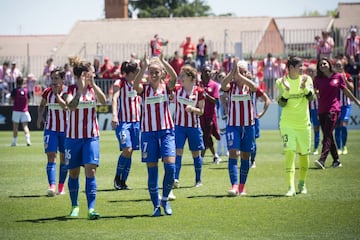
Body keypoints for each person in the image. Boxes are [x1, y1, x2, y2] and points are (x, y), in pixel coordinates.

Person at [63, 57, 107, 220]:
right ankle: (74, 206)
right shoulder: (70, 89)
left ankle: (91, 208)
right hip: (73, 138)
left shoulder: (93, 89)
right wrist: (80, 91)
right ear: (84, 74)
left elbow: (104, 101)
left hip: (91, 137)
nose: (94, 74)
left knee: (91, 171)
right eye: (92, 72)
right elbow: (70, 106)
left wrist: (93, 84)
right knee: (73, 173)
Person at [134, 54, 177, 217]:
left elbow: (174, 76)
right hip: (148, 134)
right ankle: (155, 207)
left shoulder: (166, 87)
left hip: (166, 132)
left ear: (162, 73)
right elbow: (136, 84)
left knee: (170, 168)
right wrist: (144, 67)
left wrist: (164, 62)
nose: (153, 74)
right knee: (152, 173)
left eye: (156, 72)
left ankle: (164, 200)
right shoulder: (144, 89)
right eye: (151, 71)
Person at [222, 60, 270, 196]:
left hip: (248, 126)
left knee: (245, 156)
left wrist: (261, 113)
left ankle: (242, 187)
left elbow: (262, 95)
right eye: (238, 71)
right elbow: (223, 85)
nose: (240, 74)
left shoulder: (250, 86)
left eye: (243, 71)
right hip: (233, 126)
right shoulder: (230, 86)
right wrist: (232, 73)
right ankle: (234, 186)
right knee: (233, 153)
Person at [275, 56, 314, 196]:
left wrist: (304, 89)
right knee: (290, 153)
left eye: (302, 66)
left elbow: (311, 98)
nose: (302, 69)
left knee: (304, 154)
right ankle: (290, 187)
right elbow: (281, 103)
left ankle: (302, 183)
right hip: (287, 124)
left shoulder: (307, 79)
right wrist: (286, 90)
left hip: (304, 124)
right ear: (291, 68)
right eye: (299, 66)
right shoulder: (280, 81)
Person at [313, 57, 360, 170]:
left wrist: (356, 101)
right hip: (321, 110)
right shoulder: (317, 79)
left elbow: (345, 91)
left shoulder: (338, 77)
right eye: (320, 65)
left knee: (327, 135)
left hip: (333, 109)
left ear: (329, 64)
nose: (322, 66)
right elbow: (315, 93)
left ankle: (322, 160)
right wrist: (315, 92)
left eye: (324, 63)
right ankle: (336, 160)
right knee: (328, 135)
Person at [36, 67, 68, 197]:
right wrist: (40, 116)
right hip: (51, 129)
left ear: (62, 79)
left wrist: (56, 95)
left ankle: (61, 186)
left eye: (56, 78)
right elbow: (42, 105)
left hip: (66, 130)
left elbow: (65, 107)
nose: (53, 81)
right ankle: (52, 186)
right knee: (51, 156)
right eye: (52, 78)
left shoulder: (67, 92)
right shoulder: (47, 92)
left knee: (64, 159)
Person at [172, 65, 205, 189]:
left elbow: (201, 111)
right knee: (178, 152)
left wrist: (193, 109)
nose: (181, 78)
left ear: (191, 77)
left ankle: (198, 179)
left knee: (196, 153)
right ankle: (175, 178)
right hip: (179, 126)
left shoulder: (199, 92)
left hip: (194, 127)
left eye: (183, 75)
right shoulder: (177, 90)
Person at [111, 60, 140, 190]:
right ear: (130, 73)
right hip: (123, 122)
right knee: (126, 150)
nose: (138, 73)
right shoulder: (120, 83)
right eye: (136, 71)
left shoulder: (137, 84)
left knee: (131, 151)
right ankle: (117, 178)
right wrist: (114, 115)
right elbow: (114, 98)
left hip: (136, 122)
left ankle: (123, 181)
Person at [199, 65, 221, 164]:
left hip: (210, 115)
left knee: (206, 135)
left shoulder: (214, 85)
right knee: (206, 135)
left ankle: (201, 157)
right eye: (205, 71)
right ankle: (215, 156)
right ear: (202, 73)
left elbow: (216, 101)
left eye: (209, 71)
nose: (207, 73)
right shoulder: (198, 85)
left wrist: (206, 96)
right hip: (200, 114)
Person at [333, 59, 354, 155]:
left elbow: (352, 88)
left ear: (342, 67)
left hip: (346, 105)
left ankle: (344, 145)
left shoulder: (348, 76)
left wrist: (344, 79)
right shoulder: (333, 77)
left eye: (339, 65)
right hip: (336, 105)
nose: (338, 67)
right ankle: (339, 147)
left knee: (343, 125)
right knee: (337, 126)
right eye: (336, 65)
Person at [10, 76, 31, 147]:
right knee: (25, 126)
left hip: (16, 111)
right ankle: (28, 141)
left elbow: (11, 99)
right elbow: (29, 100)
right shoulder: (26, 90)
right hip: (25, 111)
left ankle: (14, 142)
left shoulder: (15, 90)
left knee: (15, 127)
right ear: (23, 82)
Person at [307, 64, 320, 155]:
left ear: (316, 72)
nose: (310, 73)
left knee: (316, 127)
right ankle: (306, 147)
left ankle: (316, 148)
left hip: (316, 108)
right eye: (309, 71)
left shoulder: (318, 81)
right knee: (305, 128)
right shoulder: (305, 81)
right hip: (306, 109)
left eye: (312, 71)